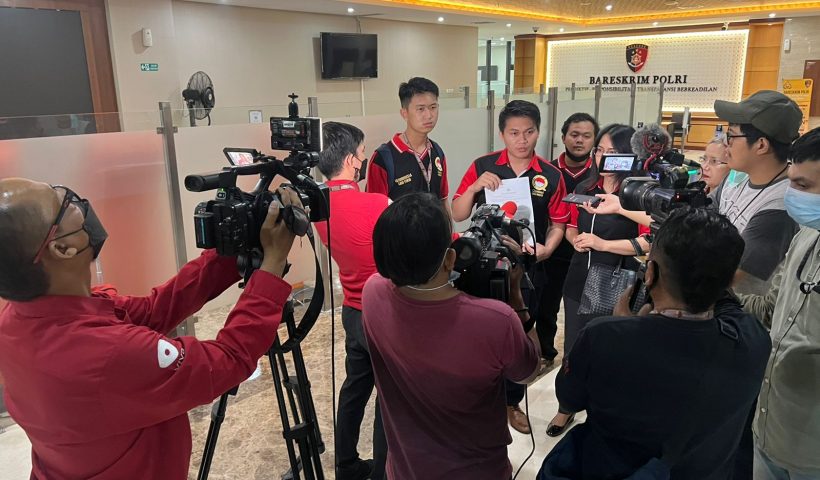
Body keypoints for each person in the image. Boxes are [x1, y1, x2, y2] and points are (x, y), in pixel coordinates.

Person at [0, 178, 299, 479]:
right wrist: (272, 266)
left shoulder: (17, 319)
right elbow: (227, 361)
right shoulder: (104, 354)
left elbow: (156, 310)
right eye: (62, 201)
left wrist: (230, 249)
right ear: (63, 248)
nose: (76, 201)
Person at [545, 207, 771, 480]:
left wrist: (626, 327)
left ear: (649, 273)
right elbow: (727, 304)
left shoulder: (603, 337)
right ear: (730, 278)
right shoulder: (752, 339)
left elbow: (570, 398)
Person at [362, 192, 540, 480]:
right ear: (450, 258)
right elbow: (528, 372)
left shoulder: (371, 293)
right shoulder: (497, 321)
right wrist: (516, 295)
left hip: (405, 469)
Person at [451, 99, 570, 434]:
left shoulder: (551, 175)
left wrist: (548, 247)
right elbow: (457, 213)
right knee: (478, 333)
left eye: (529, 132)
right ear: (502, 134)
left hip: (528, 269)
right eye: (514, 133)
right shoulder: (483, 166)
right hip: (483, 268)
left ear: (538, 132)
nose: (522, 139)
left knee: (519, 333)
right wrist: (474, 187)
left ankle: (511, 402)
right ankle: (478, 397)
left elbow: (559, 222)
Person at [546, 123, 651, 437]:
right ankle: (566, 406)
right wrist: (576, 239)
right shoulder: (587, 187)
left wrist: (603, 244)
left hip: (617, 282)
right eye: (600, 150)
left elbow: (648, 241)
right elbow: (570, 225)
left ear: (628, 156)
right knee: (573, 349)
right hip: (579, 277)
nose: (603, 157)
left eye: (612, 152)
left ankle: (604, 412)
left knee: (612, 351)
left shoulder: (635, 194)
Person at [737, 127, 820, 480]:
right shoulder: (805, 237)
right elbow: (772, 311)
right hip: (771, 428)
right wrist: (711, 290)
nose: (792, 195)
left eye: (803, 185)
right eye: (791, 182)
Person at [314, 122, 389, 480]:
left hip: (352, 310)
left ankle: (345, 465)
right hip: (384, 313)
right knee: (389, 397)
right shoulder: (378, 204)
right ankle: (382, 473)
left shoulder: (318, 208)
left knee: (355, 388)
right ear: (350, 160)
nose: (363, 160)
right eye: (361, 153)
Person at [712, 90, 802, 296]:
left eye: (731, 136)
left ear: (761, 145)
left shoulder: (781, 206)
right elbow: (701, 216)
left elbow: (731, 277)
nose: (725, 143)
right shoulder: (736, 177)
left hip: (740, 311)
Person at [544, 112, 598, 366]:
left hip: (588, 255)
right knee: (547, 306)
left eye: (586, 136)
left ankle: (582, 358)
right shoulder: (547, 171)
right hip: (553, 251)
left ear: (594, 141)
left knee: (583, 311)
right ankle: (545, 353)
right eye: (574, 135)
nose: (579, 141)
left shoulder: (601, 175)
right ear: (563, 137)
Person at [366, 77, 449, 203]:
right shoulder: (383, 158)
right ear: (404, 113)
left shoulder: (437, 151)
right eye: (421, 109)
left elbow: (443, 200)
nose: (429, 115)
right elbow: (374, 208)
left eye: (433, 107)